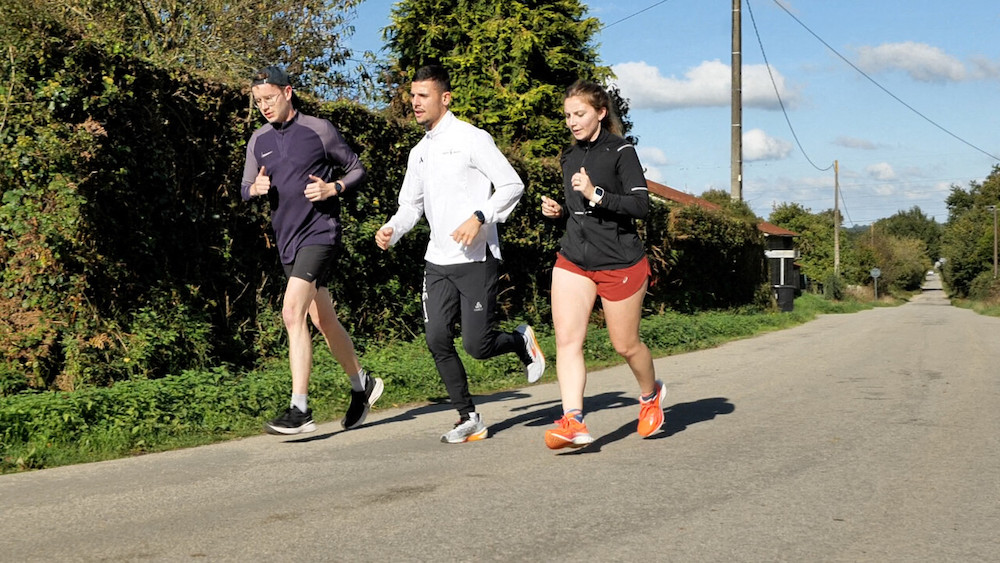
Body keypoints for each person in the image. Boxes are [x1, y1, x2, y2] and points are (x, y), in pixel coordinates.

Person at [375, 64, 545, 444]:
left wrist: (480, 216)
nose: (415, 102)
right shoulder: (418, 152)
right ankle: (468, 416)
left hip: (475, 258)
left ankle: (520, 342)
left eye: (423, 96)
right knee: (436, 337)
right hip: (437, 261)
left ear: (445, 98)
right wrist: (393, 228)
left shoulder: (473, 139)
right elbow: (410, 207)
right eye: (412, 96)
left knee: (477, 346)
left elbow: (511, 184)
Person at [241, 65, 383, 435]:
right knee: (322, 319)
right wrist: (255, 190)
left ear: (288, 92)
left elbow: (356, 169)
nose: (264, 107)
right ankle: (361, 384)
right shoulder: (259, 140)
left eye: (269, 99)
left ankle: (300, 408)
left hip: (320, 234)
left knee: (292, 313)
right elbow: (245, 186)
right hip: (287, 240)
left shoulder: (319, 130)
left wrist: (332, 188)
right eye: (258, 102)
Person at [538, 80, 665, 450]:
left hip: (620, 261)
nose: (572, 122)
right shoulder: (569, 157)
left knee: (625, 345)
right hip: (574, 258)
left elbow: (641, 206)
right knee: (567, 340)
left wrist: (597, 194)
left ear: (600, 112)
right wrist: (560, 212)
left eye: (579, 114)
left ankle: (649, 396)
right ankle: (573, 420)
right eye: (567, 116)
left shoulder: (621, 151)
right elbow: (581, 215)